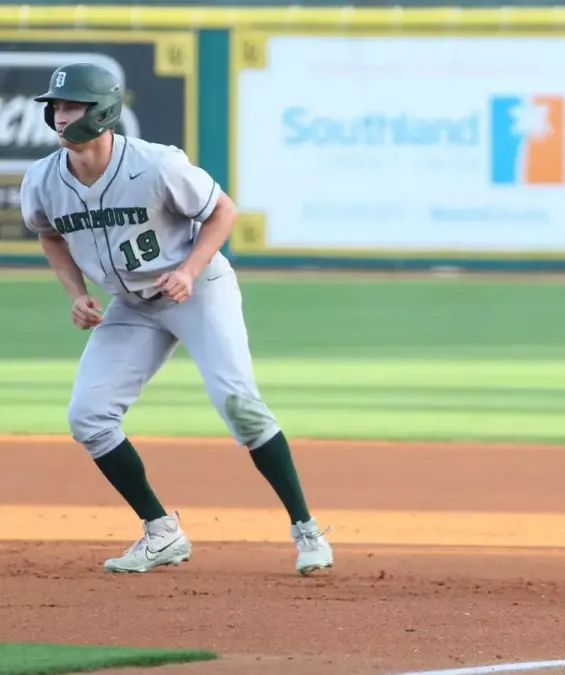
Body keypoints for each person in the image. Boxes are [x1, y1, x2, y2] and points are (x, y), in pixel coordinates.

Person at [18, 62, 334, 575]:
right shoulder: (44, 179)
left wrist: (189, 270)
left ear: (102, 112)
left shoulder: (155, 165)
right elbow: (50, 233)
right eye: (54, 106)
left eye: (71, 105)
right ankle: (161, 532)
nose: (58, 116)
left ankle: (307, 529)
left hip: (198, 290)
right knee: (89, 416)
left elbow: (222, 211)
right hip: (131, 305)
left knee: (240, 406)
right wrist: (75, 291)